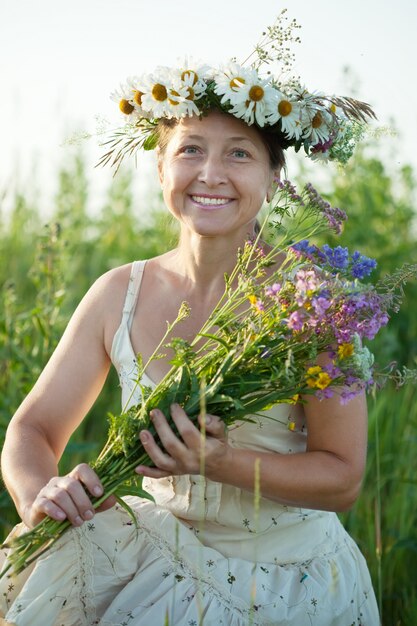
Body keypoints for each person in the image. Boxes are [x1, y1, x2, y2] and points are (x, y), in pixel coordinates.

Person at [0, 50, 380, 625]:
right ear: (161, 169)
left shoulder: (314, 307)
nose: (211, 173)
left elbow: (343, 478)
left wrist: (218, 461)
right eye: (191, 149)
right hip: (147, 561)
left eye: (240, 154)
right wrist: (39, 495)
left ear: (274, 180)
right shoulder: (117, 294)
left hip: (283, 586)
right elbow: (33, 428)